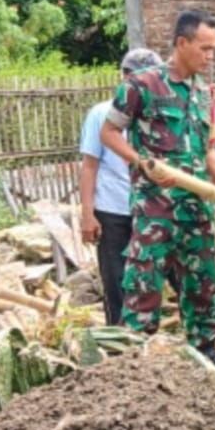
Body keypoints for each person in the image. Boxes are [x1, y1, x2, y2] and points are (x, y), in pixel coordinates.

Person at [99, 10, 215, 367]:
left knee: (203, 283)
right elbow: (108, 133)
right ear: (181, 43)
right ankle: (132, 361)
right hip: (155, 209)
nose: (210, 56)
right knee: (144, 283)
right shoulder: (141, 85)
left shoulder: (205, 94)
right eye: (204, 48)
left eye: (214, 49)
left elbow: (210, 155)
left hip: (196, 208)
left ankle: (206, 350)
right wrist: (141, 162)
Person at [80, 47, 162, 326]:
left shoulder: (157, 116)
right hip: (112, 209)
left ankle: (146, 333)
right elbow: (89, 166)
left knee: (150, 276)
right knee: (116, 278)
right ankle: (119, 336)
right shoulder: (102, 114)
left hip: (150, 210)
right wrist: (88, 214)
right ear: (124, 77)